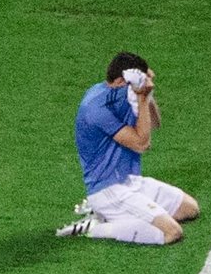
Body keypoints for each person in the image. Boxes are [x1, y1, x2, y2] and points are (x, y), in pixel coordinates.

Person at [57, 52, 201, 245]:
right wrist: (141, 98)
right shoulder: (96, 109)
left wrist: (147, 94)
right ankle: (95, 228)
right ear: (119, 81)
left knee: (189, 209)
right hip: (109, 190)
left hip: (130, 181)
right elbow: (142, 144)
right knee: (171, 232)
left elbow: (155, 123)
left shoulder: (123, 91)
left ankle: (113, 215)